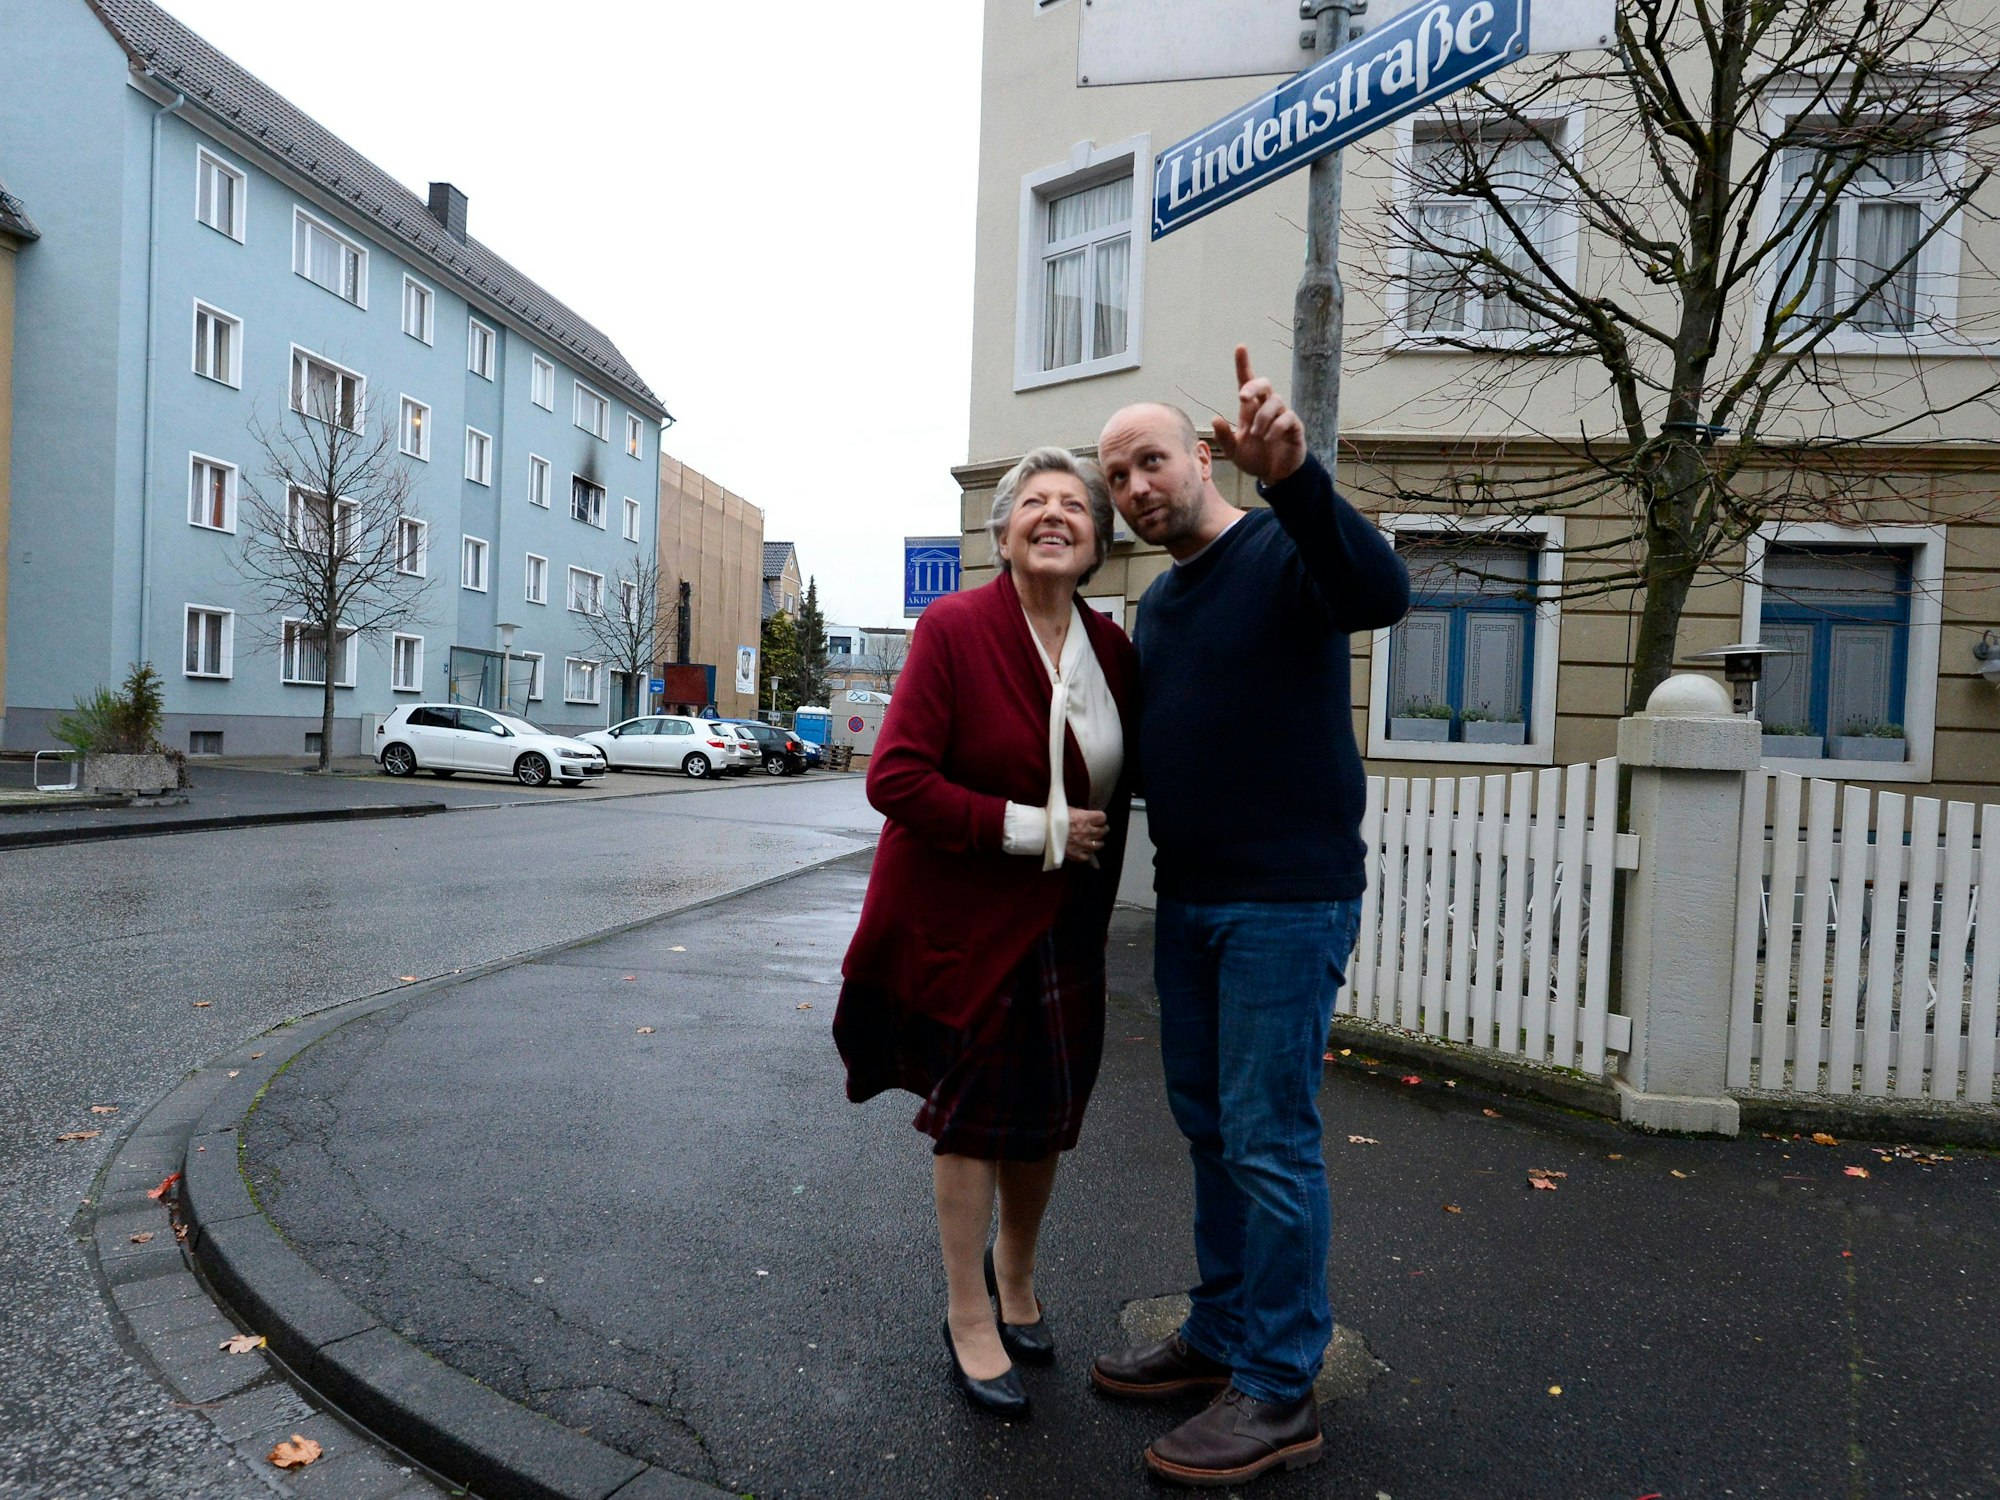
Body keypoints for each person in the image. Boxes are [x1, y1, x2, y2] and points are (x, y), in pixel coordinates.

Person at [1089, 348, 1410, 1486]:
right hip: (1190, 902)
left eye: (1150, 461)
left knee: (1270, 1142)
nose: (1135, 487)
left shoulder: (1283, 545)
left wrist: (1298, 478)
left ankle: (1278, 1387)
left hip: (1286, 902)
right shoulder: (1163, 602)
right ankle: (1221, 1331)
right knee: (1210, 1129)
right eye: (1116, 475)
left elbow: (1380, 596)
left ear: (1201, 456)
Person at [833, 447, 1138, 1421]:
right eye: (1033, 503)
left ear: (1096, 540)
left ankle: (1016, 1277)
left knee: (1044, 1117)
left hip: (1065, 925)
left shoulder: (1113, 652)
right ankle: (967, 1310)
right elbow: (895, 778)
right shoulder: (955, 628)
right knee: (971, 1120)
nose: (1054, 515)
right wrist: (1029, 830)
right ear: (1002, 534)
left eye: (1074, 505)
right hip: (966, 920)